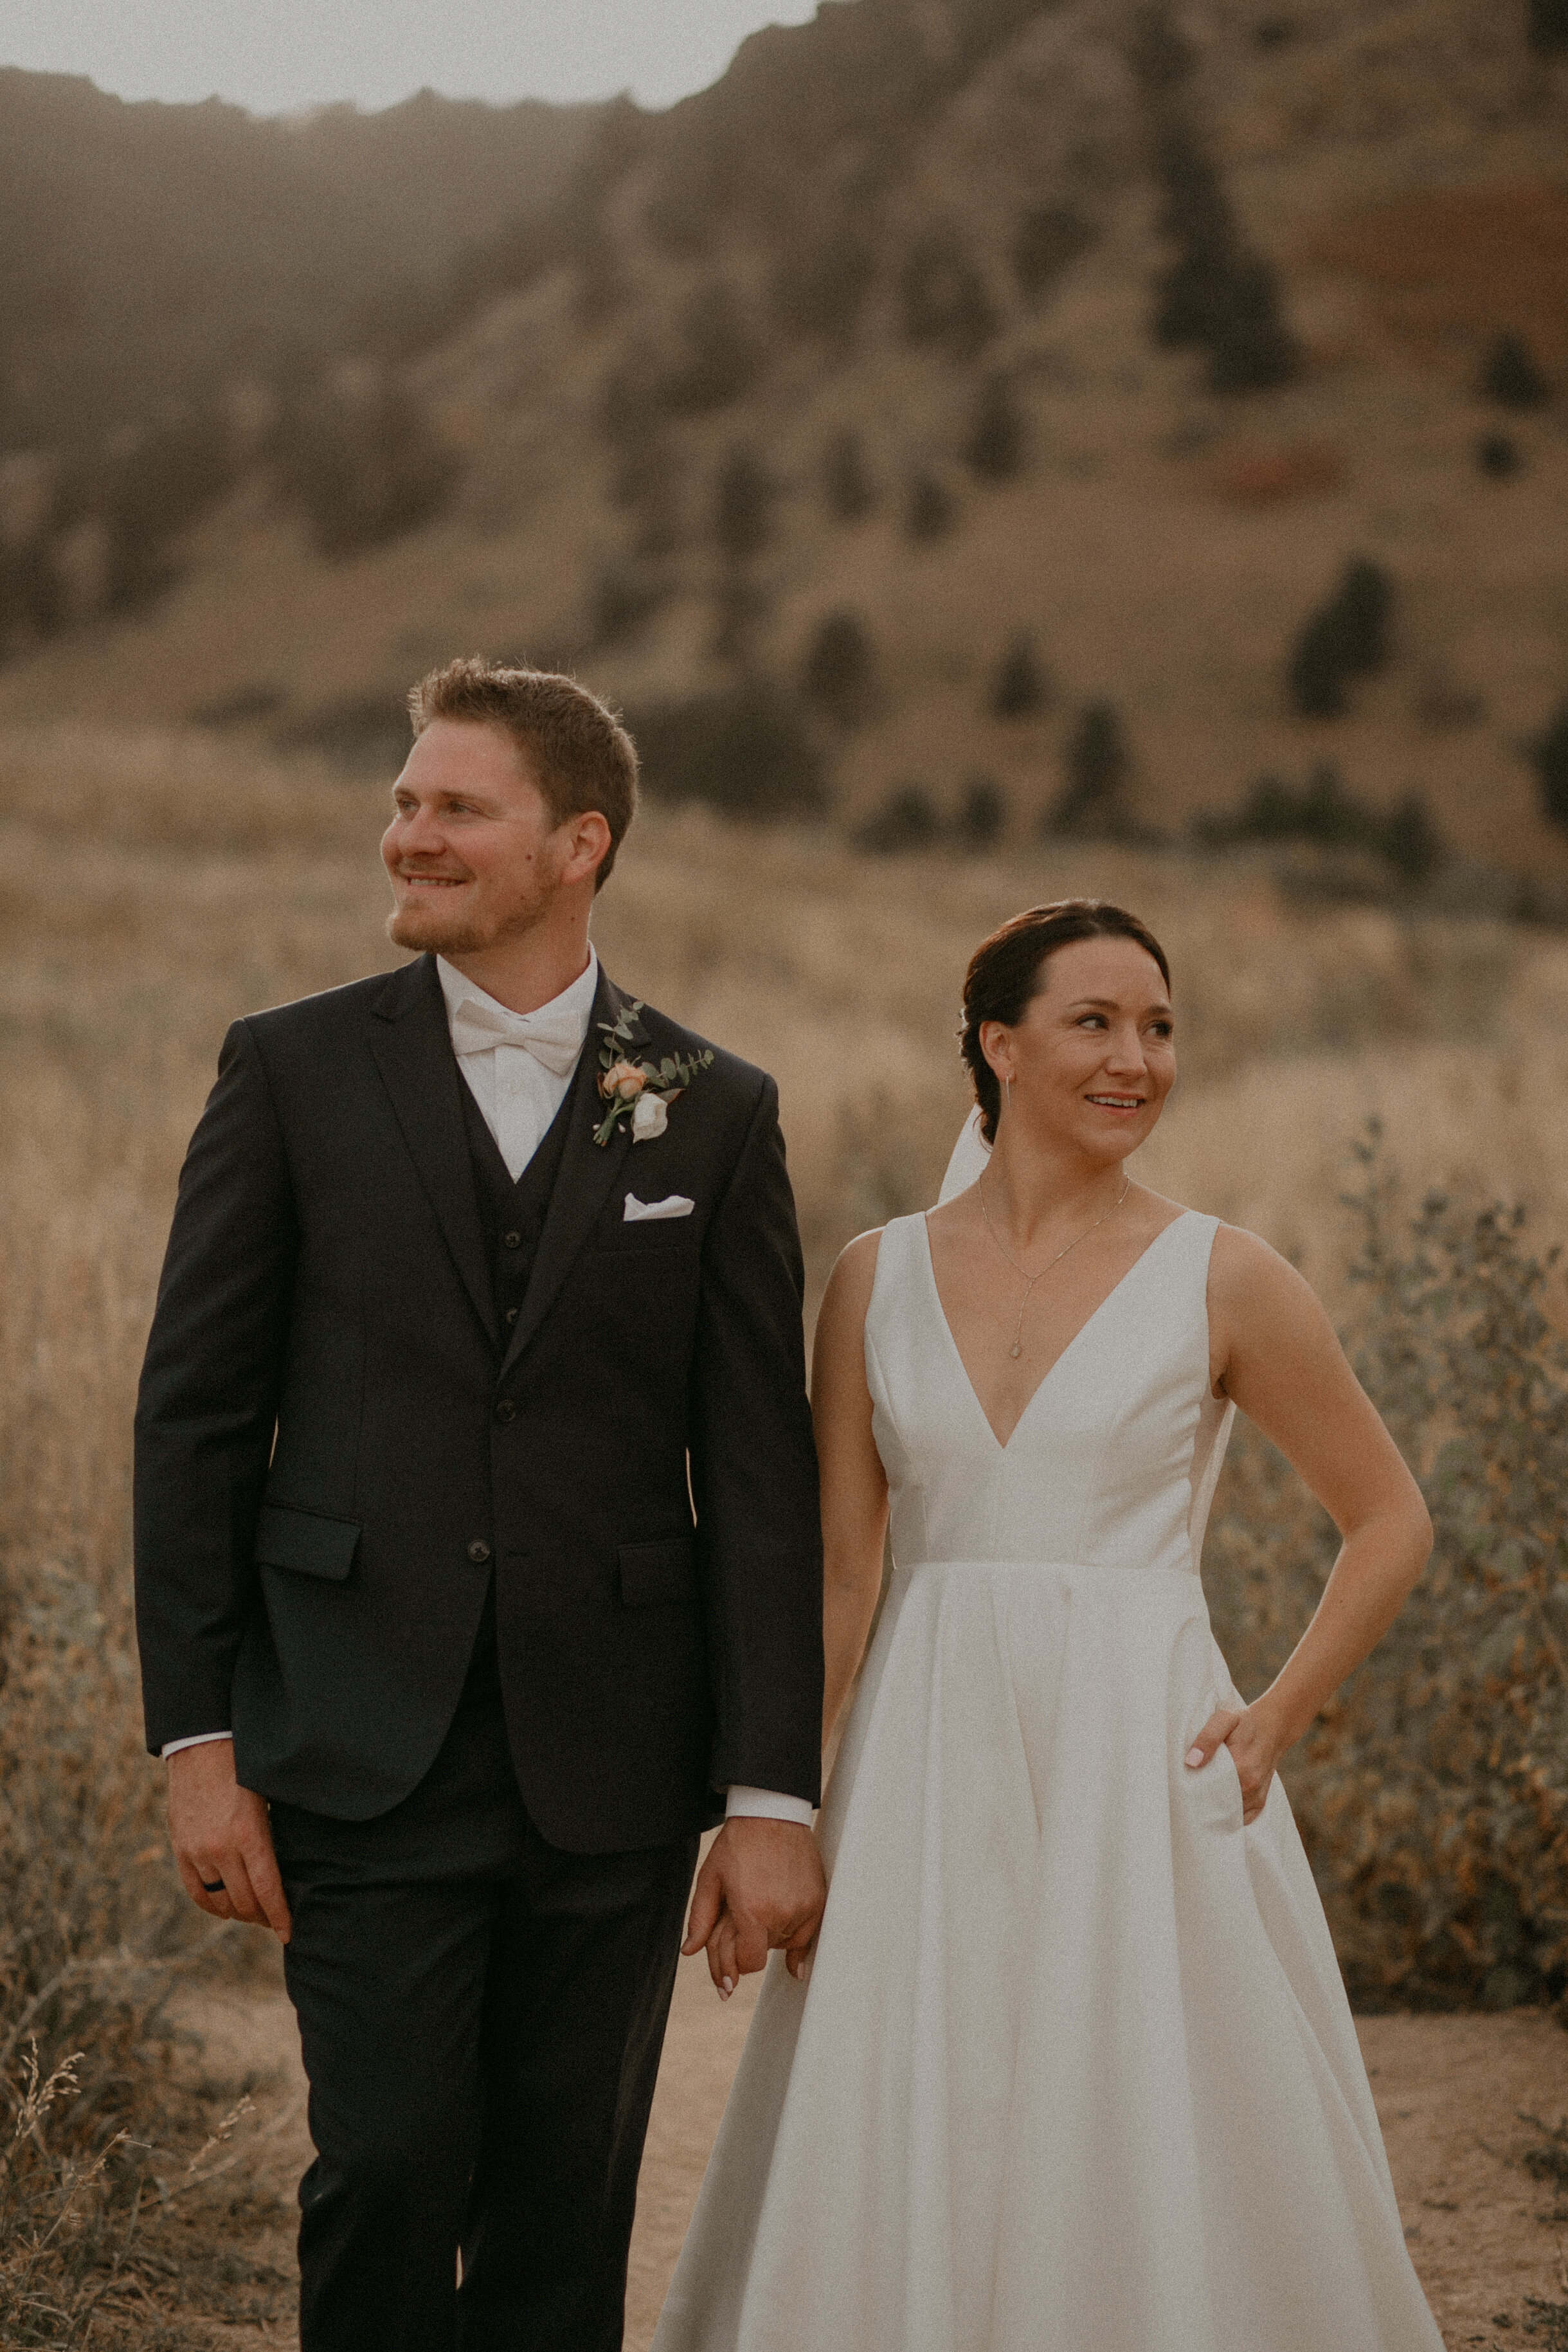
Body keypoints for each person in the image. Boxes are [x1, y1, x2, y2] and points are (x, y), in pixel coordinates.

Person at [133, 657, 827, 2352]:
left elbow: (753, 1474)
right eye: (402, 800)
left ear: (578, 842)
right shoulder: (289, 1073)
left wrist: (769, 1794)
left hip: (615, 1756)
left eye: (455, 808)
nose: (407, 836)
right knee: (386, 2160)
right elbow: (197, 1420)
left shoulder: (712, 1108)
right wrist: (197, 1743)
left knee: (559, 2203)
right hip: (359, 1736)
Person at [654, 899, 1445, 2352]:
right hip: (921, 1757)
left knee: (1135, 2096)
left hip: (1142, 1756)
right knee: (912, 2097)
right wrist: (768, 1805)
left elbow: (1388, 1518)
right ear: (995, 1043)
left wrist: (1272, 1714)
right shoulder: (869, 1276)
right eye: (1093, 1022)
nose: (1133, 1057)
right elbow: (840, 1572)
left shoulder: (1225, 1273)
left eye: (1157, 1027)